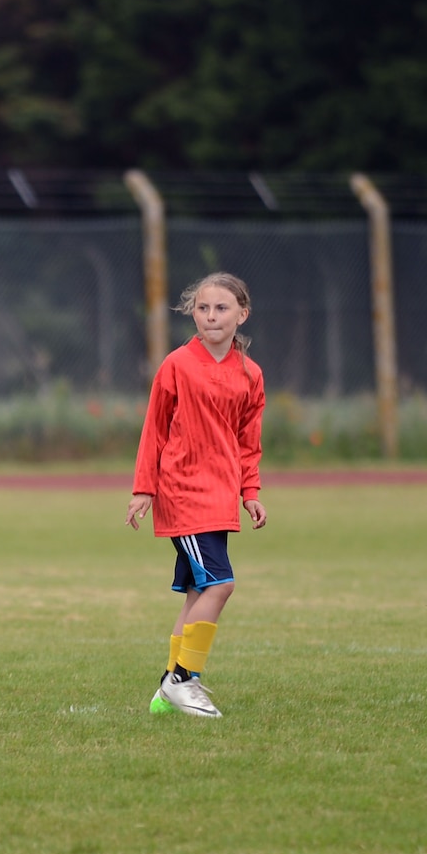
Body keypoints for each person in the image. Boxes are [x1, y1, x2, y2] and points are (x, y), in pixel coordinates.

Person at [127, 272, 269, 718]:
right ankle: (183, 681)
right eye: (203, 308)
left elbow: (249, 441)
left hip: (221, 497)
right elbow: (154, 430)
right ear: (193, 313)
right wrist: (142, 489)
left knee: (196, 592)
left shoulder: (250, 373)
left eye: (222, 308)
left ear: (242, 315)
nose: (211, 316)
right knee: (221, 584)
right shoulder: (177, 365)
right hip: (184, 491)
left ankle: (165, 691)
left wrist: (250, 491)